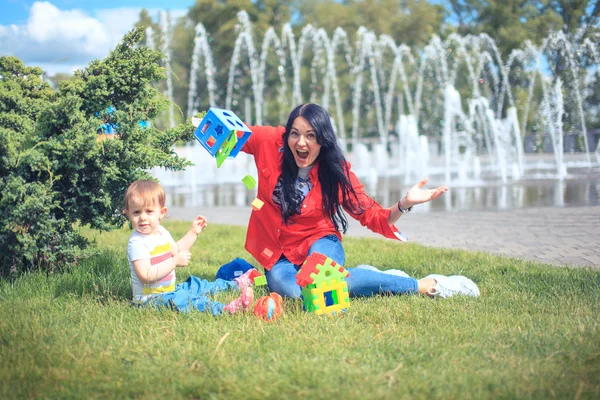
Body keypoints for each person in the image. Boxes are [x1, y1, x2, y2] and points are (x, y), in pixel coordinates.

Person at [241, 103, 480, 299]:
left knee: (326, 283)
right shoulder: (270, 142)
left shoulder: (335, 172)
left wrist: (404, 204)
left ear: (322, 141)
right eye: (295, 134)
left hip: (319, 240)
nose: (301, 143)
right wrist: (203, 122)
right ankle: (366, 276)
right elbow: (232, 132)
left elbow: (372, 215)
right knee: (296, 294)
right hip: (278, 251)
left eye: (310, 136)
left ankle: (427, 284)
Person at [123, 180, 254, 315]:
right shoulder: (137, 243)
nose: (143, 217)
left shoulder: (162, 232)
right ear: (128, 214)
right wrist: (174, 262)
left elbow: (177, 250)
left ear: (161, 212)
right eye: (137, 212)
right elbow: (146, 275)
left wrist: (193, 233)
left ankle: (236, 284)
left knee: (195, 285)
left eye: (149, 211)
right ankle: (225, 309)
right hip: (150, 301)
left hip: (169, 291)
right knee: (184, 299)